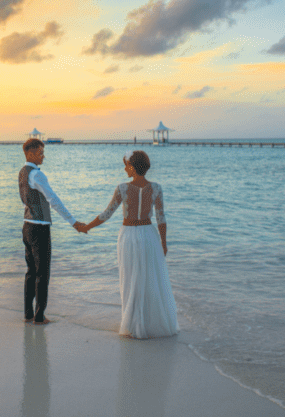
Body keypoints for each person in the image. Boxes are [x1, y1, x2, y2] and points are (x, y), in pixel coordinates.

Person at [81, 150, 179, 339]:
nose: (125, 168)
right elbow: (161, 218)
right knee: (148, 279)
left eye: (126, 165)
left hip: (128, 236)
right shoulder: (157, 188)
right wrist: (164, 243)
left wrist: (87, 227)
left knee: (130, 278)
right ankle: (149, 322)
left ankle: (133, 323)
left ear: (133, 167)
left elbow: (106, 214)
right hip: (149, 236)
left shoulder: (122, 188)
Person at [19, 138, 87, 325]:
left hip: (26, 226)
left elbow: (25, 199)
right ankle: (39, 316)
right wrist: (73, 222)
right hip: (39, 227)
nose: (43, 156)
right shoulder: (37, 175)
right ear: (30, 153)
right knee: (43, 273)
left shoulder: (22, 172)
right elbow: (53, 200)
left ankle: (27, 314)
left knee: (30, 271)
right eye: (40, 152)